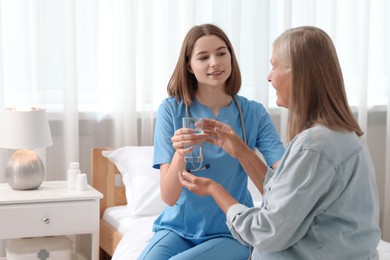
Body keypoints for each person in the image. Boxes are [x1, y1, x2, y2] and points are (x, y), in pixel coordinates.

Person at [179, 26, 381, 259]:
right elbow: (287, 198)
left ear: (300, 74)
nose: (269, 76)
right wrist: (242, 152)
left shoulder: (314, 146)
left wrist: (215, 190)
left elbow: (267, 230)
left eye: (275, 66)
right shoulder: (341, 135)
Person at [138, 23, 285, 259]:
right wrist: (180, 154)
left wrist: (241, 151)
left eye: (221, 53)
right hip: (177, 229)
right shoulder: (171, 110)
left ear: (230, 57)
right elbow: (169, 197)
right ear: (189, 66)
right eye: (203, 57)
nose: (214, 62)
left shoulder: (253, 113)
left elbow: (282, 183)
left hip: (232, 229)